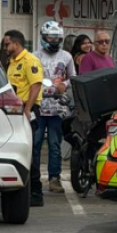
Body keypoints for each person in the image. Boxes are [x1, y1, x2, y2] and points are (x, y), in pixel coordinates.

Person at [35, 21, 77, 199]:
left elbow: (73, 77)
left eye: (57, 38)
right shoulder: (34, 56)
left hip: (57, 107)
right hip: (38, 107)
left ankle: (54, 178)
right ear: (44, 37)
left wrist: (64, 85)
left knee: (54, 145)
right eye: (51, 37)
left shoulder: (66, 56)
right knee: (35, 145)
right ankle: (33, 177)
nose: (54, 40)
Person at [3, 30, 44, 207]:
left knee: (31, 152)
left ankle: (36, 193)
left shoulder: (30, 61)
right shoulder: (12, 62)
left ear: (16, 44)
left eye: (7, 44)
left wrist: (27, 109)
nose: (5, 47)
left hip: (28, 110)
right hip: (14, 111)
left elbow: (36, 86)